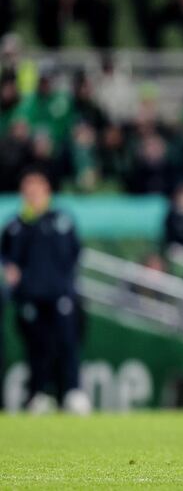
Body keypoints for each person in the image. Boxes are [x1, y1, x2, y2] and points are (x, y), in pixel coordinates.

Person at [0, 168, 90, 414]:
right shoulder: (15, 224)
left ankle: (72, 392)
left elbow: (75, 253)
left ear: (47, 190)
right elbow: (6, 257)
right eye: (28, 187)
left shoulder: (62, 219)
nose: (32, 192)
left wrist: (66, 283)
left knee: (67, 344)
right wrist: (10, 270)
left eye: (37, 187)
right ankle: (38, 394)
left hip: (60, 295)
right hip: (29, 296)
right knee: (36, 348)